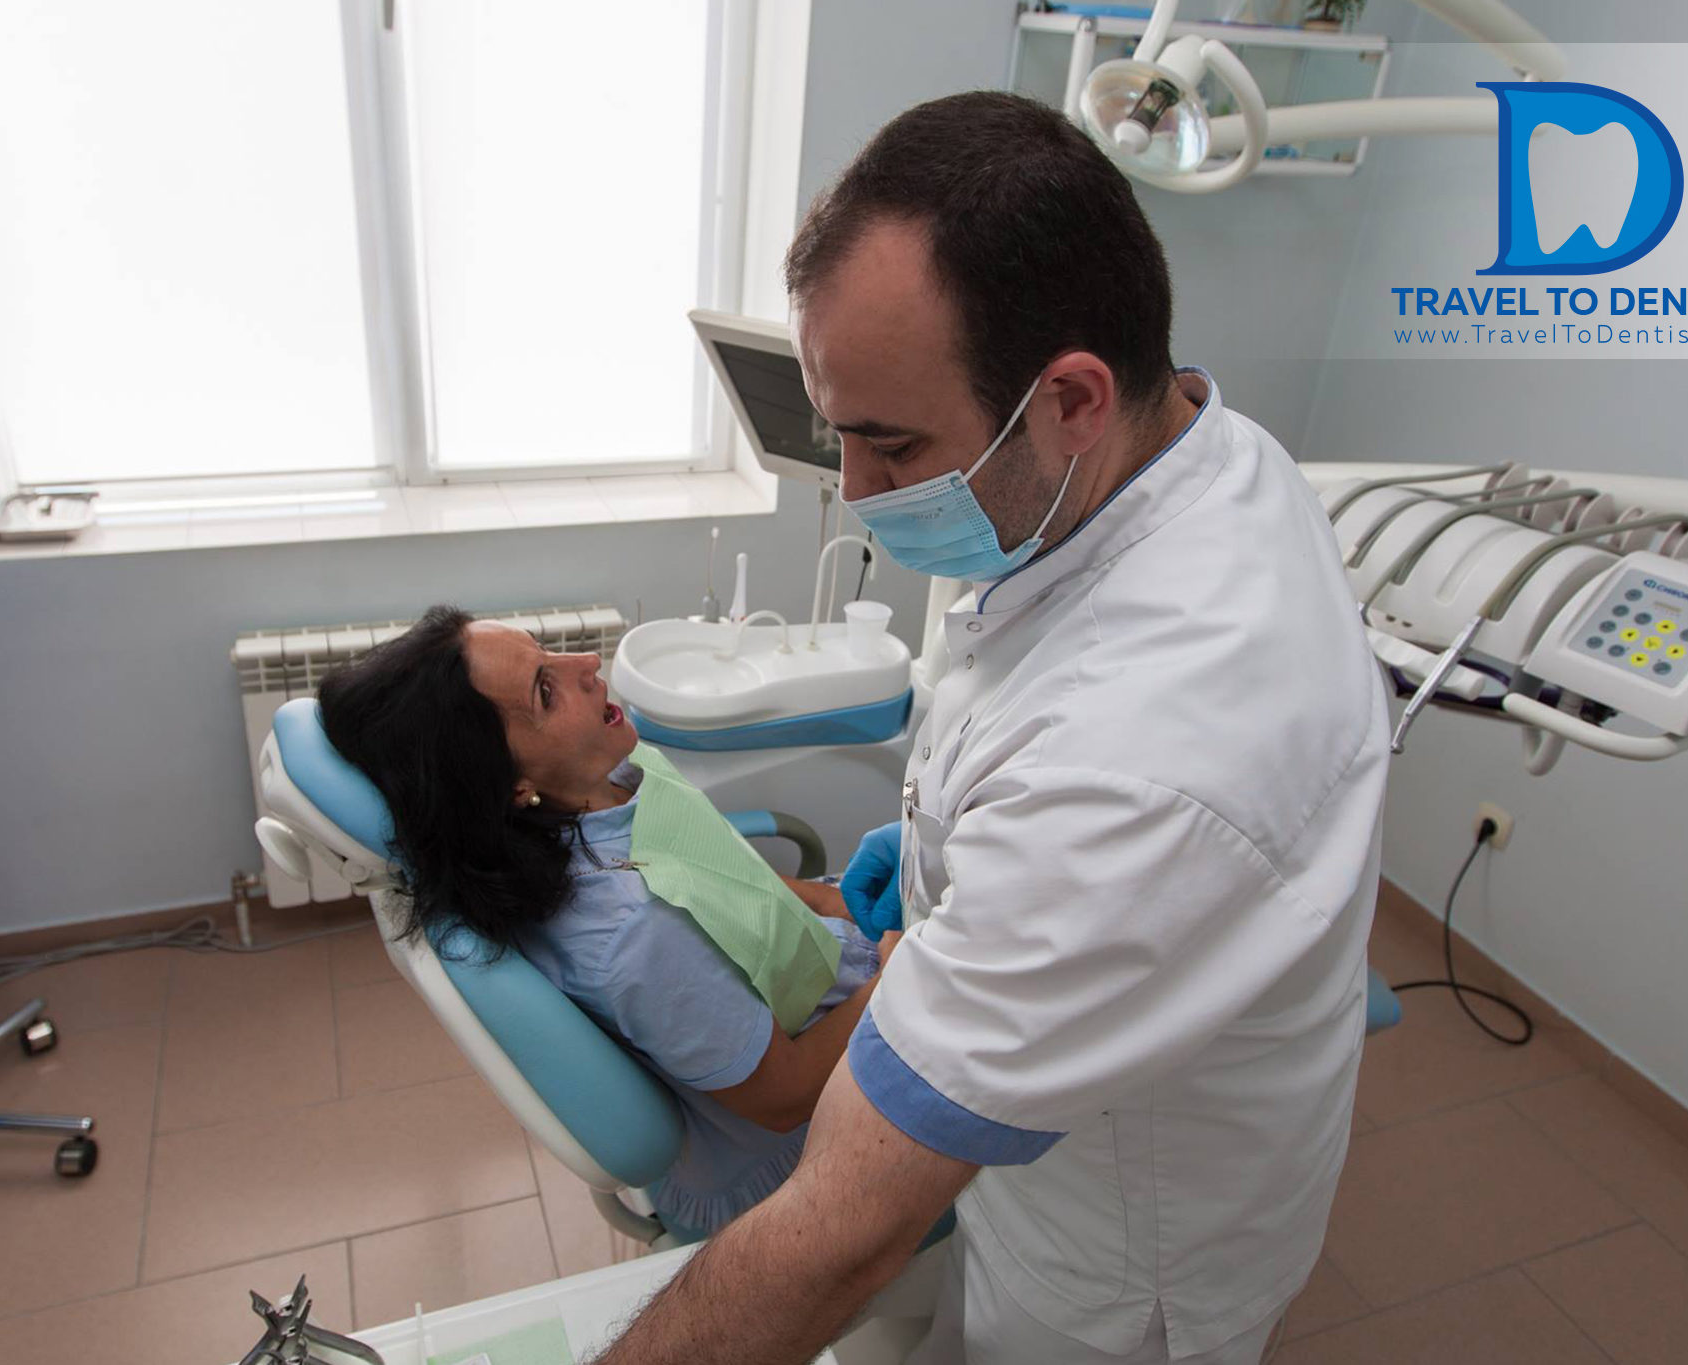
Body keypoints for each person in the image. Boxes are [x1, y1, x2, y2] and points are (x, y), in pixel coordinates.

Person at [592, 91, 1388, 1364]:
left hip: (1123, 1263)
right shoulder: (1171, 451)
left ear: (1070, 398)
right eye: (835, 433)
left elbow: (841, 1232)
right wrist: (934, 870)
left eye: (891, 446)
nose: (854, 494)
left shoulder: (1149, 754)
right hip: (1049, 1142)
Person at [317, 606, 892, 1238]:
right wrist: (902, 964)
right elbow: (784, 1097)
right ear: (511, 785)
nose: (588, 664)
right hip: (800, 1155)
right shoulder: (636, 934)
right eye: (545, 688)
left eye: (547, 652)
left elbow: (713, 869)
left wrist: (834, 902)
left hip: (833, 976)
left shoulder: (605, 778)